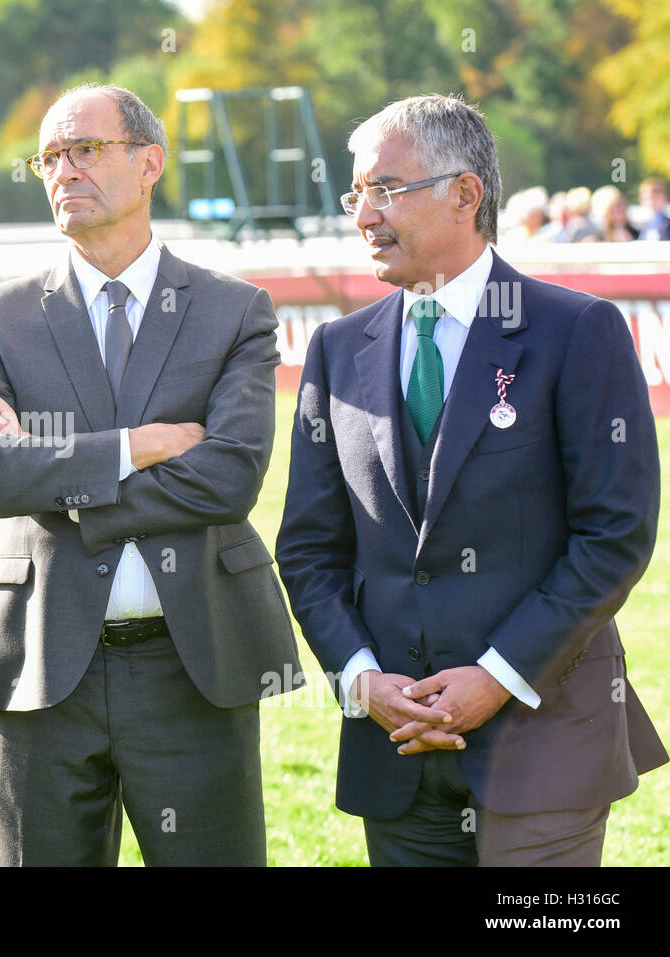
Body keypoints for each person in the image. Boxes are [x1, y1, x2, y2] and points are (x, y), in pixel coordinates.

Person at [276, 94, 666, 866]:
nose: (364, 214)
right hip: (397, 749)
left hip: (546, 739)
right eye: (357, 193)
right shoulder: (336, 350)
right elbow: (309, 549)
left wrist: (497, 676)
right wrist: (361, 681)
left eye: (386, 189)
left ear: (465, 193)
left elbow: (613, 534)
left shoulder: (576, 331)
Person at [0, 83, 300, 866]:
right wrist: (134, 447)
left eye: (85, 149)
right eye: (49, 157)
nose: (63, 169)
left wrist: (58, 476)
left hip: (194, 664)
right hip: (41, 668)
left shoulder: (234, 311)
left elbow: (229, 478)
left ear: (150, 164)